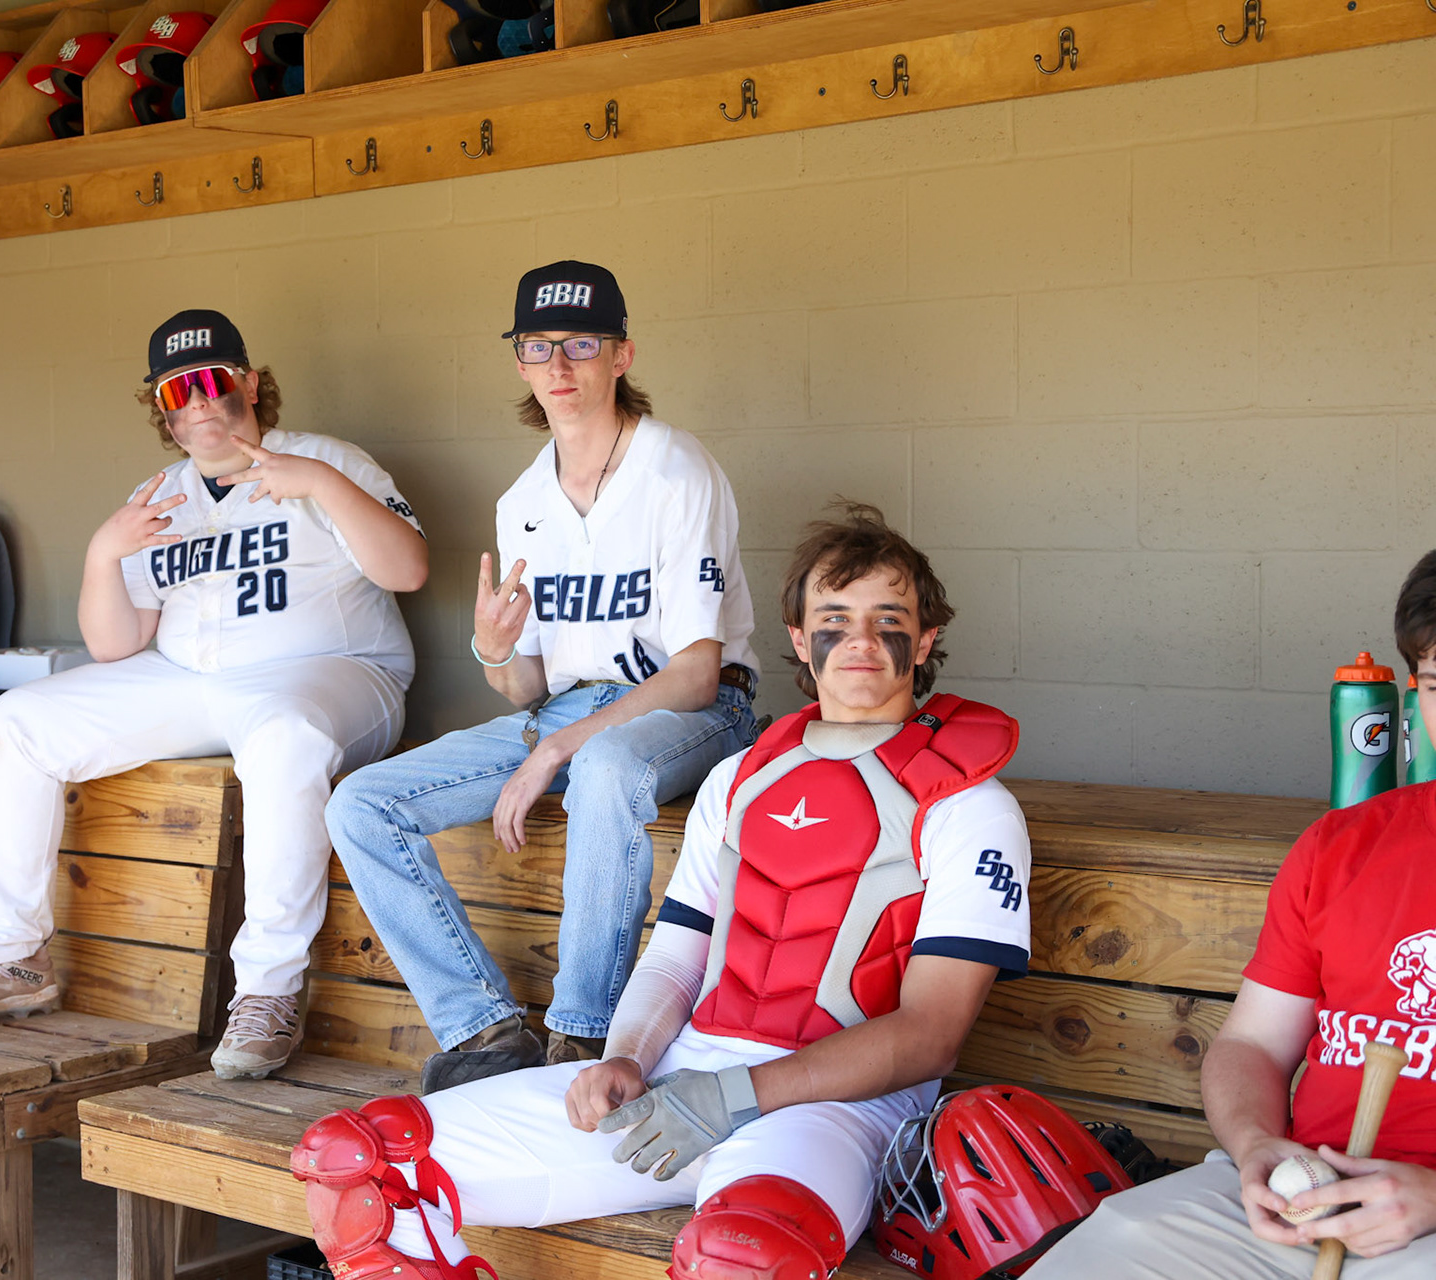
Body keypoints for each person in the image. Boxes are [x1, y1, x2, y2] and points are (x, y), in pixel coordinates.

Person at [295, 505, 1033, 1280]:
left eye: (888, 620)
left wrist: (734, 1096)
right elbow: (678, 957)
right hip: (677, 1079)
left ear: (925, 641)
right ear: (798, 638)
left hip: (831, 1110)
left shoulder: (970, 804)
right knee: (361, 1164)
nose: (860, 639)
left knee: (743, 1258)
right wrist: (626, 1058)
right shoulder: (740, 777)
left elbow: (931, 1035)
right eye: (834, 619)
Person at [0, 309, 428, 1082]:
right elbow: (116, 646)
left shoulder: (326, 460)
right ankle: (13, 959)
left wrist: (320, 485)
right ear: (163, 410)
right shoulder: (162, 493)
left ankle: (268, 992)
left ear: (250, 383)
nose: (201, 401)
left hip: (334, 672)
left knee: (284, 738)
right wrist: (102, 555)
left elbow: (408, 570)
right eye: (179, 391)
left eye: (214, 380)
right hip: (192, 679)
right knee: (17, 720)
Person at [325, 261, 760, 1092]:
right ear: (519, 362)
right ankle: (484, 1029)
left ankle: (583, 1039)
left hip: (695, 712)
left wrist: (558, 748)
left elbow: (698, 674)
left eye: (580, 344)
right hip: (569, 712)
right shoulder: (523, 500)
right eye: (538, 346)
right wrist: (495, 649)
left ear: (622, 355)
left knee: (605, 766)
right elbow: (527, 691)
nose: (559, 365)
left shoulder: (676, 470)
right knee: (361, 803)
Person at [1025, 555, 1436, 1279]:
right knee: (1105, 1253)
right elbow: (1252, 1045)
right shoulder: (1343, 845)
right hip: (1297, 1196)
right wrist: (1254, 1147)